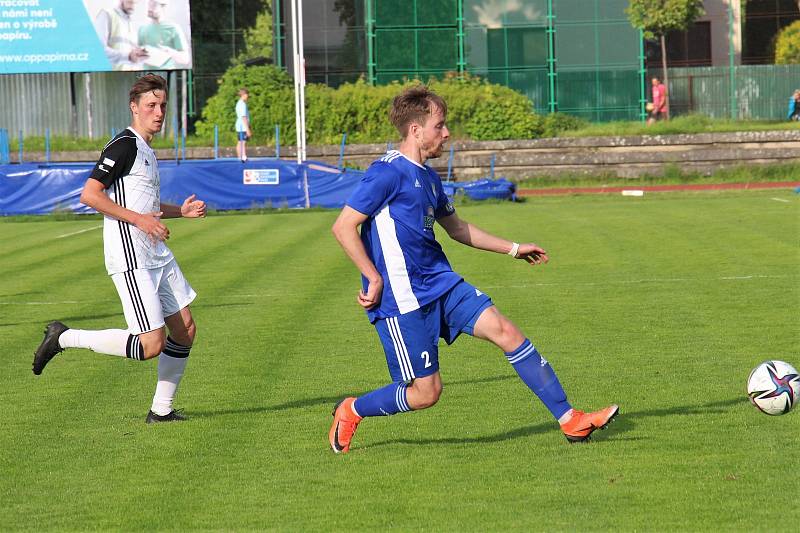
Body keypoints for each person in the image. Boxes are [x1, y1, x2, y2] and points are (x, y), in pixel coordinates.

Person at [328, 86, 619, 454]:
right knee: (426, 393)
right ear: (416, 130)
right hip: (403, 299)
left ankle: (570, 420)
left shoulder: (430, 178)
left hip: (443, 285)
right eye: (440, 125)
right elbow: (344, 226)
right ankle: (352, 409)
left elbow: (458, 229)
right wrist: (372, 275)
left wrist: (513, 248)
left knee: (506, 331)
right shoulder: (386, 174)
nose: (446, 133)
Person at [32, 74, 206, 424]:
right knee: (150, 344)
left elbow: (147, 204)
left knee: (185, 329)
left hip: (155, 252)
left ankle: (161, 411)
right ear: (134, 107)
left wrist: (180, 212)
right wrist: (141, 222)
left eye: (162, 106)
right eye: (151, 106)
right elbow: (90, 195)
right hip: (131, 253)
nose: (158, 112)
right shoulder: (123, 145)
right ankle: (65, 337)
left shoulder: (146, 149)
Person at [94, 0, 149, 71]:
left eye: (136, 2)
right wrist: (128, 56)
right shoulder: (107, 14)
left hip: (129, 77)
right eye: (130, 2)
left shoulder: (132, 26)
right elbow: (99, 51)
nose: (133, 6)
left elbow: (133, 58)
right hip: (111, 75)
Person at [138, 0, 191, 70]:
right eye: (148, 4)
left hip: (167, 75)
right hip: (145, 77)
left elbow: (185, 59)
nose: (149, 8)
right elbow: (137, 56)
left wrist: (169, 52)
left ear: (163, 7)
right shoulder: (142, 29)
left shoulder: (173, 28)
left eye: (153, 5)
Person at [235, 88, 252, 162]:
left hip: (240, 126)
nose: (248, 96)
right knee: (243, 142)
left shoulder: (240, 103)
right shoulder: (242, 104)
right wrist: (247, 129)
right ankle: (243, 157)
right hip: (242, 126)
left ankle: (240, 157)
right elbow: (243, 117)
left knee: (240, 141)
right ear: (244, 95)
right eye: (247, 95)